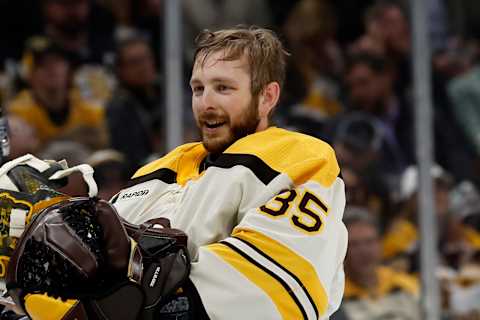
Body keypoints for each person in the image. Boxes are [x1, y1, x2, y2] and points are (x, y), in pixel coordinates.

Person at [1, 26, 347, 320]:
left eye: (223, 88)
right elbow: (96, 275)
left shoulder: (299, 158)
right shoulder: (154, 173)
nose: (205, 102)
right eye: (199, 88)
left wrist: (143, 290)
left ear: (267, 97)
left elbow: (278, 289)